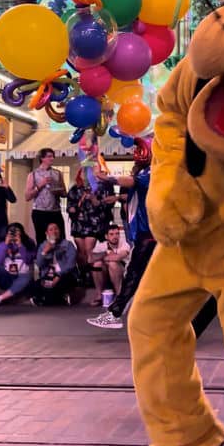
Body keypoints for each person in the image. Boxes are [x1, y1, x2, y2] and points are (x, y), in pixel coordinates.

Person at [87, 138, 154, 329]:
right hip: (147, 232)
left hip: (150, 233)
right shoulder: (147, 172)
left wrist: (106, 177)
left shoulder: (151, 172)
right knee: (141, 274)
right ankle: (118, 312)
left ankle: (115, 312)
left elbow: (130, 181)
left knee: (134, 273)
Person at [66, 169, 106, 304]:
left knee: (89, 250)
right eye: (84, 173)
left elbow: (102, 206)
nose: (86, 176)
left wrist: (93, 198)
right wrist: (73, 208)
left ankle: (92, 277)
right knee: (81, 252)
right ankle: (84, 275)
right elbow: (70, 206)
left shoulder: (98, 188)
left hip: (92, 223)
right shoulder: (74, 189)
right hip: (78, 223)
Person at [25, 148, 66, 246]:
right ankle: (43, 259)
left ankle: (60, 260)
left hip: (55, 211)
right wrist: (40, 185)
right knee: (42, 240)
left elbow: (64, 193)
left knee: (60, 239)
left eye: (53, 156)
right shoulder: (33, 174)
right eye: (49, 156)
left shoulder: (58, 173)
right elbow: (27, 196)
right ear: (42, 158)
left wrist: (58, 191)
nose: (52, 159)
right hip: (40, 212)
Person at [0, 223, 36, 306]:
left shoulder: (29, 243)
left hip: (22, 278)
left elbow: (28, 260)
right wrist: (5, 244)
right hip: (6, 278)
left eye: (16, 231)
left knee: (27, 276)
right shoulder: (3, 244)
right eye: (11, 231)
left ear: (22, 232)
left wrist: (20, 245)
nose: (14, 233)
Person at [31, 222, 77, 306]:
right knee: (37, 284)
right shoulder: (43, 245)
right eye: (51, 230)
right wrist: (45, 251)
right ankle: (57, 298)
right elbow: (39, 264)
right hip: (48, 275)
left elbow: (71, 264)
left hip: (64, 275)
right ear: (47, 233)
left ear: (60, 231)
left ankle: (49, 299)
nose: (54, 232)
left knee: (60, 284)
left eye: (56, 229)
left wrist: (58, 276)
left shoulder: (68, 244)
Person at [91, 224, 130, 296]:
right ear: (106, 236)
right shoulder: (102, 245)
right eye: (111, 234)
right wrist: (105, 254)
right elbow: (90, 259)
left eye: (117, 234)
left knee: (113, 264)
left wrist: (104, 257)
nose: (115, 236)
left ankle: (119, 294)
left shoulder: (125, 244)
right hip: (106, 273)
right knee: (97, 264)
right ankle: (99, 295)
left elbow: (118, 258)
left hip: (122, 273)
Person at [0, 167, 17, 244]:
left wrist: (7, 187)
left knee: (2, 242)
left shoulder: (2, 189)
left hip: (1, 222)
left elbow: (13, 200)